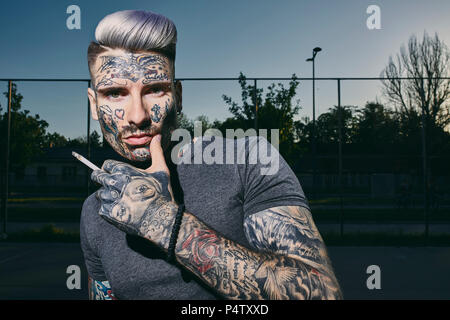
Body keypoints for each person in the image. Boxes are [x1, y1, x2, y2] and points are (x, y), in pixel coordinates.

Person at [81, 9, 343, 300]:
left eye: (155, 89)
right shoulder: (96, 210)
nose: (138, 115)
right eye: (115, 93)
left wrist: (165, 222)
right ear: (94, 104)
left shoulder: (246, 161)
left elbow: (320, 295)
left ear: (177, 97)